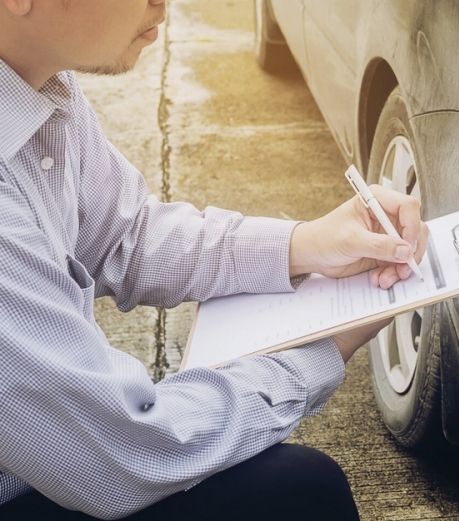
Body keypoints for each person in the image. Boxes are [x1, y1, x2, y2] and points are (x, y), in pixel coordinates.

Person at [0, 0, 427, 519]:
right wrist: (319, 350)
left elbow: (123, 235)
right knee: (302, 493)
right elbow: (124, 453)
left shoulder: (40, 86)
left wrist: (305, 244)